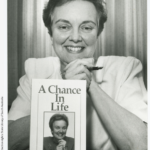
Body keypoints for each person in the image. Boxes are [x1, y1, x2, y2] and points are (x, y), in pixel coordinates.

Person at [8, 0, 147, 150]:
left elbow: (142, 145)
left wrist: (89, 84)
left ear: (98, 32)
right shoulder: (36, 70)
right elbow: (7, 140)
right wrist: (65, 92)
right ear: (50, 32)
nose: (75, 37)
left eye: (87, 27)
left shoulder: (124, 69)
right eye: (63, 27)